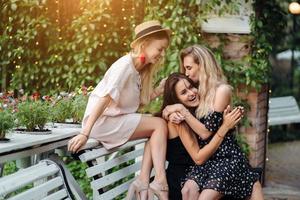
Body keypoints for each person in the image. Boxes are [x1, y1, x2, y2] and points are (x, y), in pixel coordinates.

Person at [67, 20, 171, 200]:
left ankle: (144, 180)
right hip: (102, 122)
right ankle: (159, 180)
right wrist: (85, 133)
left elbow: (135, 105)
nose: (162, 54)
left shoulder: (140, 71)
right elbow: (104, 100)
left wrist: (159, 90)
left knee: (157, 127)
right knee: (159, 124)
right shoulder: (125, 66)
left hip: (113, 120)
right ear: (144, 44)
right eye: (160, 49)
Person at [162, 45, 264, 200]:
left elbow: (205, 133)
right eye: (185, 68)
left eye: (189, 68)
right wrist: (168, 111)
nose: (186, 73)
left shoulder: (221, 90)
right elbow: (175, 94)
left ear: (202, 65)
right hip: (206, 160)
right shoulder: (196, 90)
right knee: (187, 191)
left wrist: (180, 110)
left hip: (225, 157)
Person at [156, 73, 243, 200]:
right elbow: (198, 158)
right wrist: (224, 128)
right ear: (176, 100)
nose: (191, 93)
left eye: (191, 87)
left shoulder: (196, 113)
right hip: (182, 180)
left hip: (199, 174)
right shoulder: (178, 119)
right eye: (184, 92)